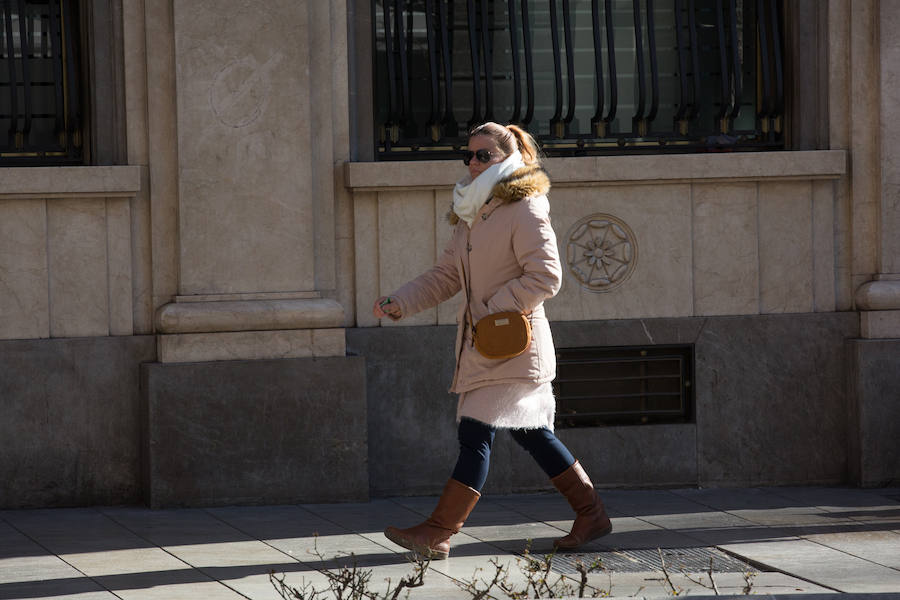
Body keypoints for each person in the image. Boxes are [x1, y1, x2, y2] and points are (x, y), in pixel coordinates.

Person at [372, 122, 612, 560]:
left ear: (508, 158)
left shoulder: (525, 207)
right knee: (532, 434)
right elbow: (447, 276)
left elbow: (546, 276)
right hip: (488, 345)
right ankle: (590, 513)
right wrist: (400, 301)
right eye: (468, 155)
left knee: (475, 433)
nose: (473, 163)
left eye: (483, 155)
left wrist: (494, 306)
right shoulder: (473, 212)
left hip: (512, 343)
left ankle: (439, 531)